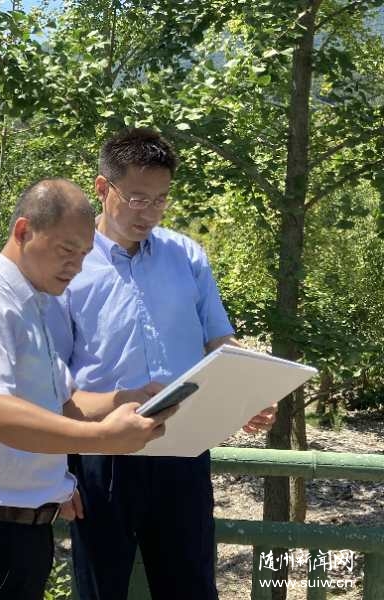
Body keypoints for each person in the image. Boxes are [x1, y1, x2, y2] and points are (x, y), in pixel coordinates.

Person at [47, 128, 276, 600]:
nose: (148, 212)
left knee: (192, 587)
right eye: (136, 198)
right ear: (102, 188)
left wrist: (247, 394)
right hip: (101, 452)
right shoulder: (69, 265)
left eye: (160, 200)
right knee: (99, 591)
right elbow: (51, 380)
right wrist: (56, 471)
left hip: (183, 450)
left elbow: (220, 342)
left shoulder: (187, 255)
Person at [0, 178, 177, 600]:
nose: (76, 267)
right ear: (23, 231)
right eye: (66, 250)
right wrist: (103, 439)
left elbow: (63, 404)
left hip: (28, 530)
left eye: (83, 255)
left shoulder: (38, 304)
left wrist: (129, 398)